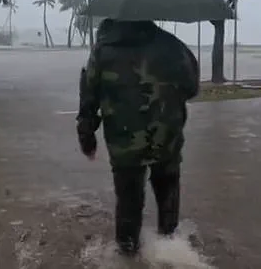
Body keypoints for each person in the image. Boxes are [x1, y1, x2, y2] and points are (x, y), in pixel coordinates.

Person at [76, 19, 199, 256]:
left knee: (128, 199)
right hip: (167, 135)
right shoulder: (173, 45)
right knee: (168, 191)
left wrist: (86, 137)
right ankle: (171, 248)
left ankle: (128, 251)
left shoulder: (103, 50)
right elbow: (191, 88)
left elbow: (89, 95)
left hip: (123, 140)